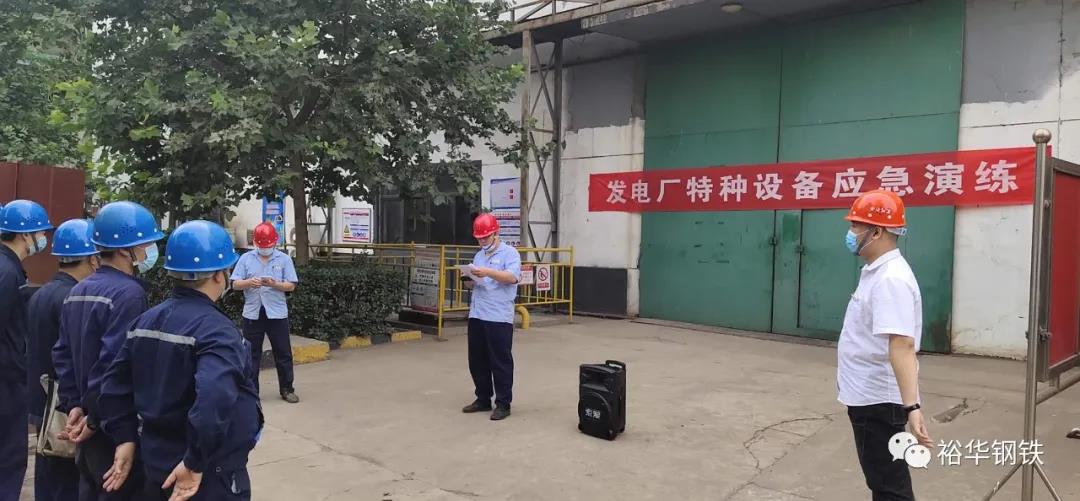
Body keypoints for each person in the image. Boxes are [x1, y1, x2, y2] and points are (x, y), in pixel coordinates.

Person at [98, 220, 262, 501]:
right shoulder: (218, 330)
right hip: (206, 475)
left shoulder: (145, 321)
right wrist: (194, 461)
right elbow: (213, 399)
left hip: (155, 464)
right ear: (219, 275)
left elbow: (113, 386)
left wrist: (124, 437)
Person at [53, 201, 164, 500]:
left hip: (86, 423)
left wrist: (74, 406)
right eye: (146, 244)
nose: (149, 250)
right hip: (112, 426)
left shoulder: (78, 289)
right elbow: (115, 364)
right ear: (126, 250)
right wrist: (93, 418)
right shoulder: (129, 293)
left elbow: (62, 354)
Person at [836, 189, 931, 501]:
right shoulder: (877, 272)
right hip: (868, 397)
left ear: (876, 232)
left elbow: (902, 344)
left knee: (889, 486)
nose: (850, 232)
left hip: (877, 401)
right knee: (883, 480)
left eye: (855, 226)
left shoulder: (891, 279)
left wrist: (912, 407)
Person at [27, 219, 99, 501]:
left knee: (48, 478)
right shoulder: (74, 297)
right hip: (64, 406)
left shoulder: (43, 292)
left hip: (43, 401)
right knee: (67, 482)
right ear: (93, 258)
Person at [0, 199, 52, 501]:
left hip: (8, 378)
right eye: (41, 232)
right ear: (25, 234)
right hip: (6, 383)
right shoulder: (7, 272)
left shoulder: (8, 268)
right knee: (8, 460)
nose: (43, 239)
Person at [460, 213, 521, 421]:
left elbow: (512, 277)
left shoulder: (510, 253)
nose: (483, 241)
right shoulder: (479, 256)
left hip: (498, 316)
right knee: (477, 360)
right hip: (478, 313)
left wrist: (487, 272)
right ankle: (483, 398)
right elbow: (477, 282)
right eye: (479, 238)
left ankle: (503, 403)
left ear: (496, 233)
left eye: (486, 237)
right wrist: (469, 279)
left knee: (500, 361)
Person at [231, 222, 299, 403]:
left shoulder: (284, 259)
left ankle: (287, 388)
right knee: (251, 354)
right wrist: (248, 283)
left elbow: (291, 285)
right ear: (255, 243)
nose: (265, 248)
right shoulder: (245, 259)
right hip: (252, 313)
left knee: (283, 353)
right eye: (262, 245)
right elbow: (235, 283)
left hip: (276, 313)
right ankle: (251, 392)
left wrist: (275, 284)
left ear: (275, 242)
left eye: (268, 245)